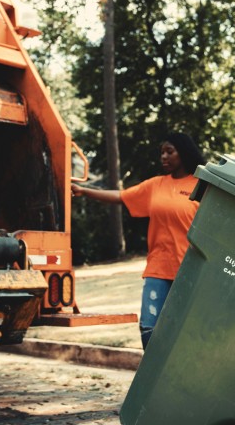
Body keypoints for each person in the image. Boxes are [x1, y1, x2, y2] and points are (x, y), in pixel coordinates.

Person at [71, 132, 206, 349]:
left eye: (169, 152)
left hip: (189, 270)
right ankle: (153, 378)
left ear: (184, 153)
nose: (163, 156)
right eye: (161, 152)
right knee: (149, 328)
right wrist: (85, 192)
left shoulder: (202, 186)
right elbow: (122, 197)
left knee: (187, 332)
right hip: (158, 268)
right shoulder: (155, 185)